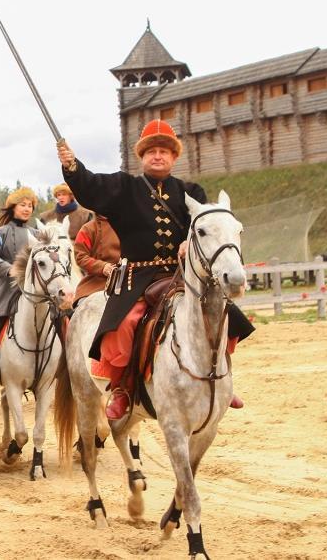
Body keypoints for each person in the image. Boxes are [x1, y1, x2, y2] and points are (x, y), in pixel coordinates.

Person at [57, 119, 253, 419]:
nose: (157, 156)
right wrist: (73, 167)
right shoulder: (125, 188)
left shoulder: (192, 191)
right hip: (139, 276)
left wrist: (188, 241)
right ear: (142, 157)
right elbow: (92, 187)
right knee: (122, 326)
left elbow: (205, 226)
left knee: (227, 318)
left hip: (182, 275)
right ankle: (122, 387)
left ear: (174, 157)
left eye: (164, 151)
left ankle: (222, 382)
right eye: (151, 152)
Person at [0, 187, 40, 381]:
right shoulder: (0, 232)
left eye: (30, 206)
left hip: (32, 287)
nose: (27, 209)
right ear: (13, 208)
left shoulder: (36, 233)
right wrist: (9, 269)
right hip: (4, 287)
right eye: (23, 205)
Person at [72, 214, 121, 307]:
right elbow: (80, 256)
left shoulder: (128, 225)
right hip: (95, 282)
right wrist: (102, 267)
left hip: (128, 281)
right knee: (82, 308)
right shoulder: (87, 228)